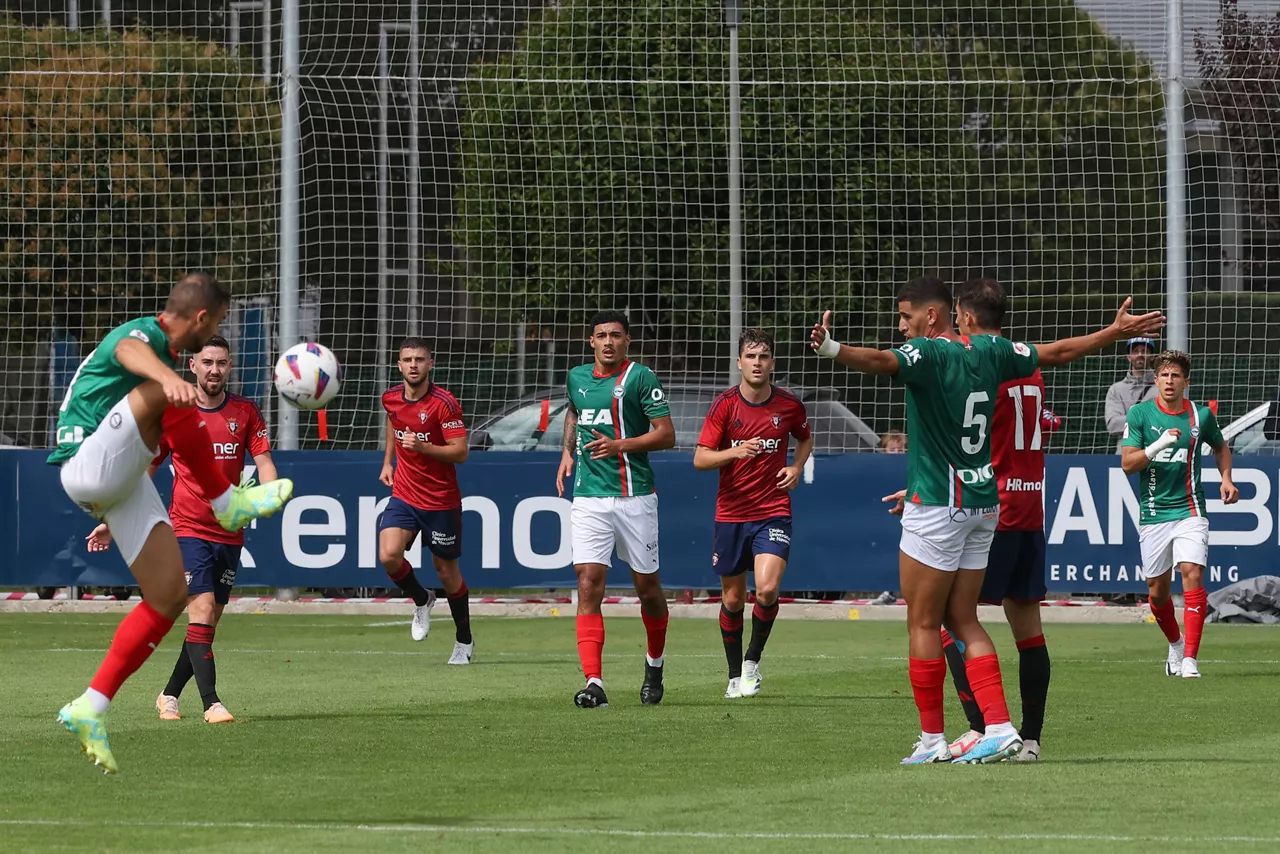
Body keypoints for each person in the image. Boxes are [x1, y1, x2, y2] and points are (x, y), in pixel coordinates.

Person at [813, 275, 1164, 765]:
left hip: (939, 504)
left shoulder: (932, 353)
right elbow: (1060, 352)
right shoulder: (998, 353)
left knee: (922, 620)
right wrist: (1112, 332)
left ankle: (934, 739)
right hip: (985, 504)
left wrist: (831, 347)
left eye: (905, 316)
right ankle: (999, 727)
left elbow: (879, 360)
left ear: (942, 315)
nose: (902, 326)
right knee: (964, 617)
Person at [49, 273, 294, 773]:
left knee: (167, 598)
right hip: (83, 463)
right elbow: (129, 356)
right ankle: (227, 502)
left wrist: (113, 521)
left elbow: (152, 444)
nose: (219, 334)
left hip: (121, 480)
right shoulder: (141, 336)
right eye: (220, 322)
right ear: (202, 319)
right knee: (170, 392)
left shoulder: (169, 372)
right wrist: (166, 379)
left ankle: (90, 707)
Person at [86, 336, 279, 724]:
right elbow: (147, 473)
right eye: (207, 362)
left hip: (229, 532)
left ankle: (169, 694)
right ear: (193, 365)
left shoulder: (246, 412)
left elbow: (264, 461)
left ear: (229, 367)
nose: (214, 370)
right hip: (187, 528)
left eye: (222, 363)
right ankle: (212, 703)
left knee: (206, 624)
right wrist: (114, 519)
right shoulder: (175, 412)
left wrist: (269, 495)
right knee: (202, 610)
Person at [916, 279, 1063, 763]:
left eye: (959, 314)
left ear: (968, 317)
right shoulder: (1030, 370)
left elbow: (966, 437)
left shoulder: (983, 369)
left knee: (948, 621)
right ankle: (1032, 739)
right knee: (1029, 631)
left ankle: (983, 728)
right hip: (1030, 512)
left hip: (988, 507)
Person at [556, 311, 676, 708]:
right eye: (601, 335)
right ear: (591, 342)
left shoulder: (640, 378)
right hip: (589, 494)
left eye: (616, 336)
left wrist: (619, 446)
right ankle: (594, 683)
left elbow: (666, 435)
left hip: (634, 495)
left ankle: (654, 665)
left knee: (648, 590)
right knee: (588, 582)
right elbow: (574, 411)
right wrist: (567, 453)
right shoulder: (576, 377)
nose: (608, 341)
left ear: (628, 341)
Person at [693, 329, 813, 699]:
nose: (758, 362)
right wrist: (735, 452)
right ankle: (733, 676)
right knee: (732, 600)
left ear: (772, 362)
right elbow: (700, 458)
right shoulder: (725, 406)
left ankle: (752, 664)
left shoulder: (789, 406)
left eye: (764, 356)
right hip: (731, 514)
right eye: (751, 356)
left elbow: (804, 438)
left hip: (773, 511)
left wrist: (796, 466)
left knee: (766, 588)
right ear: (739, 362)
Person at [1120, 349, 1238, 679]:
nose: (1170, 381)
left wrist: (1226, 478)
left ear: (1186, 381)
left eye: (1176, 376)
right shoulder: (1140, 415)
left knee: (1192, 573)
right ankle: (1175, 643)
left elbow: (1221, 446)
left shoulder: (1200, 416)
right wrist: (1157, 447)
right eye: (1164, 375)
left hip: (1191, 508)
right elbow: (1127, 464)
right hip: (1154, 512)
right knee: (1157, 593)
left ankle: (1190, 659)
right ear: (1155, 380)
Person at [377, 338, 475, 665]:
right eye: (408, 359)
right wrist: (388, 462)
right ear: (399, 365)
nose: (414, 365)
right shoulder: (390, 397)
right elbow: (395, 425)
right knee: (388, 554)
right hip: (404, 494)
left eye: (420, 359)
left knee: (446, 571)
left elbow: (460, 451)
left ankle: (464, 640)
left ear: (430, 363)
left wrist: (423, 447)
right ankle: (422, 599)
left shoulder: (443, 403)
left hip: (440, 500)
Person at [1105, 337, 1158, 451]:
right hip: (1124, 453)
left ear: (1153, 356)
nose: (1140, 354)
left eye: (1144, 351)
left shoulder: (1162, 387)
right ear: (1128, 357)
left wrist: (1128, 421)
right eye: (1135, 351)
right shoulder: (1116, 389)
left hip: (1156, 452)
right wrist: (1147, 419)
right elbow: (1113, 425)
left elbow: (1165, 422)